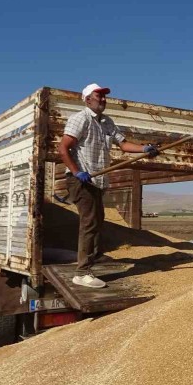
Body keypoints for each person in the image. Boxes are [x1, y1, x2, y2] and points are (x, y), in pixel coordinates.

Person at [58, 83, 159, 288]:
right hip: (80, 179)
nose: (103, 99)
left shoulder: (107, 122)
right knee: (89, 222)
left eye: (104, 97)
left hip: (96, 180)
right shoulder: (80, 119)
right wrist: (77, 172)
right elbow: (63, 148)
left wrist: (145, 149)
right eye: (99, 96)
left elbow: (123, 145)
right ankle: (82, 272)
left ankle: (92, 259)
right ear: (87, 99)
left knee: (98, 220)